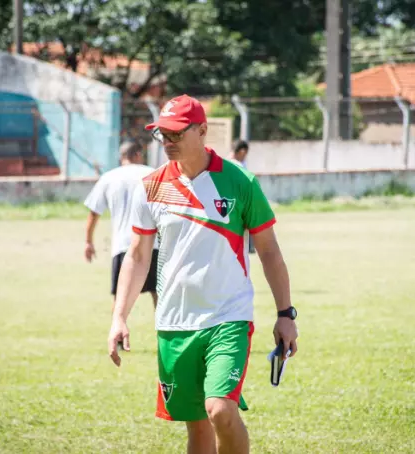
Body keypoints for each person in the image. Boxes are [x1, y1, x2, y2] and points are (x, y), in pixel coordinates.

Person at [107, 95, 298, 454]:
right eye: (162, 134)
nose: (167, 142)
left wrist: (285, 314)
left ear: (203, 131)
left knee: (220, 410)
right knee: (197, 428)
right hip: (174, 322)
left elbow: (270, 252)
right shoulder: (150, 187)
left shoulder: (241, 182)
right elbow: (137, 256)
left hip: (228, 317)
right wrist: (119, 317)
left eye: (177, 134)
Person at [84, 141, 159, 314]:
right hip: (153, 244)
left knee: (120, 299)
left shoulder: (109, 178)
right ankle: (163, 339)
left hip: (123, 245)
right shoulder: (153, 174)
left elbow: (94, 213)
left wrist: (88, 242)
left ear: (122, 157)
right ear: (138, 155)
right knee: (159, 296)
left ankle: (117, 338)